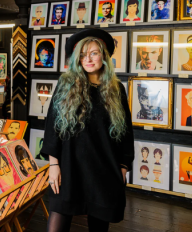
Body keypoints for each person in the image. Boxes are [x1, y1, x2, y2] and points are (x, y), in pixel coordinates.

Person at [41, 29, 134, 232]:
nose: (88, 59)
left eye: (93, 53)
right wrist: (53, 165)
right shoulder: (66, 85)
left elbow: (126, 133)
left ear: (104, 55)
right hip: (69, 166)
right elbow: (52, 126)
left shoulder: (117, 89)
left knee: (99, 225)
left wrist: (124, 166)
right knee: (57, 223)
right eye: (83, 55)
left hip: (103, 169)